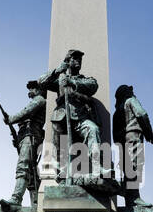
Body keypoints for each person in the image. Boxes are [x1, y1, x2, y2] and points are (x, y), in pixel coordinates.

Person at [35, 49, 103, 181]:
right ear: (68, 60)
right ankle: (59, 169)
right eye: (75, 59)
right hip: (62, 118)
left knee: (93, 129)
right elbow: (41, 82)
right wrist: (57, 70)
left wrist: (72, 82)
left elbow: (93, 85)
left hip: (80, 118)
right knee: (58, 133)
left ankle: (97, 167)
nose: (78, 61)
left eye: (80, 59)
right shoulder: (60, 78)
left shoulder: (84, 79)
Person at [0, 81, 46, 212]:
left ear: (39, 89)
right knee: (31, 173)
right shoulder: (36, 100)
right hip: (25, 137)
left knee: (23, 166)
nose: (30, 90)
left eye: (32, 88)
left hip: (31, 136)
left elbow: (26, 113)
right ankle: (37, 204)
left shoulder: (40, 100)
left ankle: (16, 199)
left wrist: (11, 119)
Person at [113, 84, 153, 207]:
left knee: (128, 168)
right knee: (136, 166)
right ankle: (134, 198)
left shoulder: (117, 112)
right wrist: (150, 134)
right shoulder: (132, 101)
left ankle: (130, 199)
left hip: (124, 141)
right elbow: (142, 114)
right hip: (134, 136)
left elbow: (115, 136)